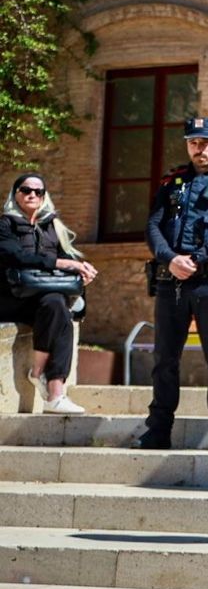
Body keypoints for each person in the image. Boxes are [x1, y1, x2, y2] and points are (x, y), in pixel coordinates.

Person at [140, 117, 208, 451]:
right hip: (170, 280)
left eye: (205, 142)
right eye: (193, 142)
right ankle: (158, 430)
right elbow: (153, 226)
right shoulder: (173, 182)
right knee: (164, 360)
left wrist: (198, 258)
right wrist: (170, 259)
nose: (199, 148)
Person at [0, 173, 96, 414]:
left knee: (59, 308)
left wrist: (83, 268)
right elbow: (15, 256)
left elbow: (68, 257)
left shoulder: (52, 226)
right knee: (56, 307)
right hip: (11, 297)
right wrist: (60, 264)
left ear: (44, 197)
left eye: (38, 191)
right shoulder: (5, 224)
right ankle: (40, 375)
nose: (32, 194)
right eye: (26, 190)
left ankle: (53, 391)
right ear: (16, 194)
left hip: (43, 298)